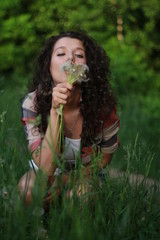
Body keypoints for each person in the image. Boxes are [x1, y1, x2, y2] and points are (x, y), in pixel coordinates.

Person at [18, 31, 120, 205]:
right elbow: (45, 168)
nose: (70, 59)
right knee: (28, 190)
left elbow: (104, 158)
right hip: (45, 171)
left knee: (80, 198)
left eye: (79, 55)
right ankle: (42, 226)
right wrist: (55, 109)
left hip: (86, 174)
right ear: (48, 66)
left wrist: (65, 180)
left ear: (89, 66)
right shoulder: (32, 103)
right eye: (61, 53)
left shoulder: (103, 108)